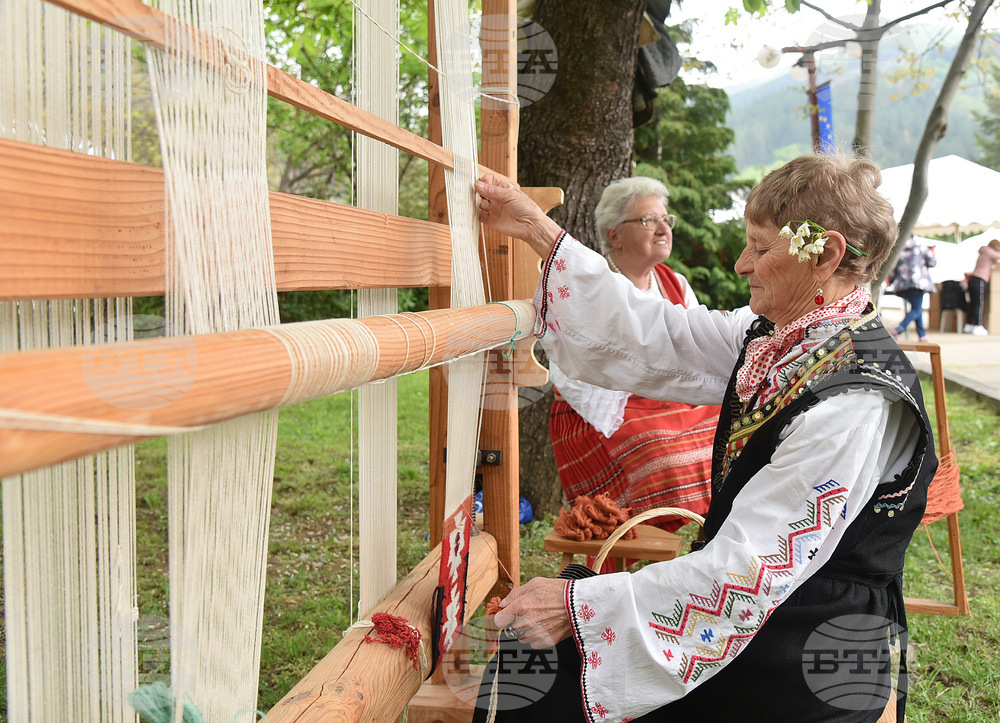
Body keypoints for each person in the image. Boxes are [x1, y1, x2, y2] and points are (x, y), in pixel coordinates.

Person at [472, 154, 936, 723]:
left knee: (554, 659)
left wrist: (580, 607)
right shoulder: (779, 337)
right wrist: (537, 230)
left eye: (762, 249)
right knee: (545, 652)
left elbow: (752, 569)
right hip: (764, 613)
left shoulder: (855, 401)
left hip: (801, 645)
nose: (743, 264)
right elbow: (656, 331)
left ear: (828, 255)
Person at [549, 177, 719, 560]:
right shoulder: (592, 286)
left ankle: (708, 553)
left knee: (733, 431)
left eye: (666, 219)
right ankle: (618, 546)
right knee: (657, 452)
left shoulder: (675, 284)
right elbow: (572, 370)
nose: (663, 229)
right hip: (600, 411)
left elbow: (694, 350)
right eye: (648, 220)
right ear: (614, 235)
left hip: (667, 402)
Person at [887, 235, 936, 342]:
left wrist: (890, 282)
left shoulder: (898, 250)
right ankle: (899, 329)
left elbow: (892, 268)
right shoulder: (921, 247)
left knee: (917, 308)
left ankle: (922, 335)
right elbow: (933, 262)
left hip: (902, 284)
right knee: (917, 309)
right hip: (918, 282)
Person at [964, 238, 1000, 335]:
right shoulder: (990, 252)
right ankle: (978, 326)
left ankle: (969, 324)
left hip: (973, 279)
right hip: (980, 279)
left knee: (973, 303)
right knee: (979, 303)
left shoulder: (984, 252)